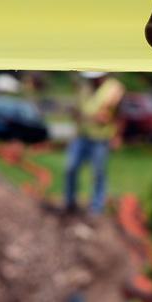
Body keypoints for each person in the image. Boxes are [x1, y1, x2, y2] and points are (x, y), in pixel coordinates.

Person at [63, 70, 124, 215]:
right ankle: (69, 202)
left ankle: (97, 207)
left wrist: (117, 135)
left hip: (100, 139)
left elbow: (116, 114)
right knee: (71, 167)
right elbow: (79, 111)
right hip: (82, 136)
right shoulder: (84, 88)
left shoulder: (114, 88)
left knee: (98, 172)